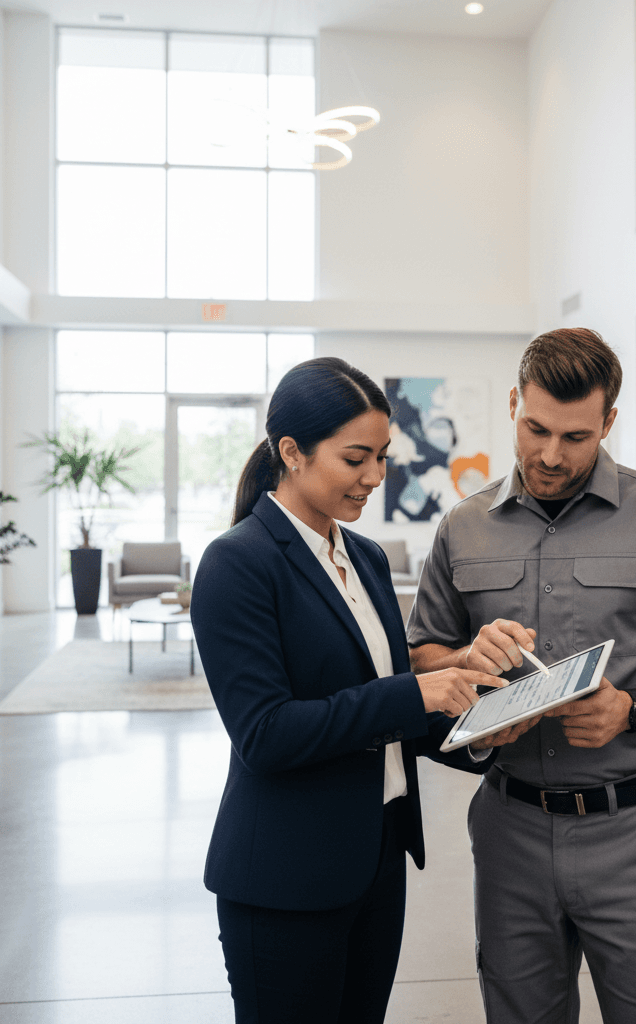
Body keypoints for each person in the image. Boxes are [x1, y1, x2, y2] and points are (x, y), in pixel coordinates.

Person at [407, 329, 636, 1024]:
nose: (549, 455)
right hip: (510, 823)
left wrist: (634, 708)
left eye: (575, 436)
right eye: (535, 428)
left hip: (634, 830)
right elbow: (424, 654)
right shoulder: (463, 527)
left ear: (608, 422)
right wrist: (469, 658)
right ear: (513, 402)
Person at [190, 357, 536, 1024]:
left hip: (375, 861)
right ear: (291, 452)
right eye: (356, 459)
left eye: (381, 456)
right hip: (285, 880)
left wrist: (480, 729)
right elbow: (266, 735)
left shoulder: (366, 558)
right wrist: (421, 692)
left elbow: (387, 711)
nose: (375, 477)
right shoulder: (237, 563)